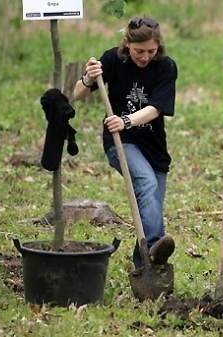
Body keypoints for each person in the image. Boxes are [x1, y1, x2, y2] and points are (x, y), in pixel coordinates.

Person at [73, 15, 176, 269]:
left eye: (151, 51)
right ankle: (153, 250)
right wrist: (88, 78)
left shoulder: (165, 66)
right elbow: (77, 93)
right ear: (127, 44)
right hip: (120, 142)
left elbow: (156, 108)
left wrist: (127, 119)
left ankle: (143, 268)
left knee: (150, 207)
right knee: (146, 184)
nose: (145, 56)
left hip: (154, 147)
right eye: (139, 51)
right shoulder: (113, 59)